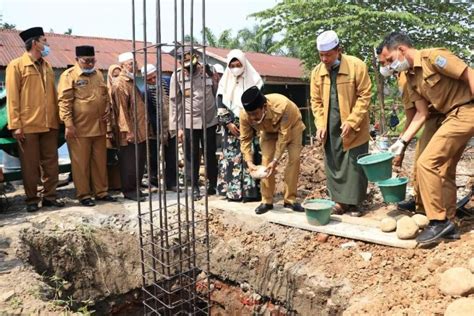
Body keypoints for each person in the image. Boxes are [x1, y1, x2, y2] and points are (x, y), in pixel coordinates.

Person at [378, 31, 474, 244]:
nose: (392, 66)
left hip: (466, 110)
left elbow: (469, 74)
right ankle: (449, 224)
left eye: (392, 60)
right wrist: (401, 142)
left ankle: (437, 221)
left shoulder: (433, 57)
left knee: (425, 163)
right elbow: (421, 113)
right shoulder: (411, 77)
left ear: (402, 50)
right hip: (451, 116)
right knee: (445, 168)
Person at [310, 30, 372, 217]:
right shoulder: (317, 73)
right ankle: (339, 202)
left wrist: (352, 121)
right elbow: (316, 101)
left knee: (354, 164)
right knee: (334, 163)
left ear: (339, 50)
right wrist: (321, 124)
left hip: (354, 125)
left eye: (328, 55)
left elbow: (365, 95)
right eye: (321, 55)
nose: (324, 59)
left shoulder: (356, 66)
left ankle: (355, 204)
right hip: (330, 126)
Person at [6, 26, 65, 212]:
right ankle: (32, 199)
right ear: (34, 43)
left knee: (51, 163)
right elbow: (12, 98)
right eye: (44, 40)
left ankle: (50, 197)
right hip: (28, 125)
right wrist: (16, 125)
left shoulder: (47, 66)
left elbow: (53, 95)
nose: (47, 44)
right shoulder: (16, 65)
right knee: (30, 166)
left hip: (49, 124)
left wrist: (59, 119)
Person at [57, 45, 117, 206]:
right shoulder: (69, 76)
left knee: (99, 162)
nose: (90, 64)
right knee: (80, 164)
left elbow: (104, 96)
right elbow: (64, 102)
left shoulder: (98, 74)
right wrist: (68, 124)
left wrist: (107, 109)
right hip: (79, 129)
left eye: (93, 60)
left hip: (99, 126)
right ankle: (84, 195)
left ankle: (101, 192)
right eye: (87, 61)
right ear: (77, 60)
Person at [240, 86, 306, 215]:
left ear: (264, 107)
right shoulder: (244, 115)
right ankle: (267, 201)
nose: (252, 118)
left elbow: (284, 135)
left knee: (294, 159)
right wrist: (249, 162)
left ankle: (290, 199)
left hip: (292, 128)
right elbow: (245, 138)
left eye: (255, 114)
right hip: (267, 131)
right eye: (250, 114)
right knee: (266, 161)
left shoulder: (283, 106)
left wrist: (276, 160)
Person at [169, 49, 218, 200]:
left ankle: (213, 184)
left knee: (210, 153)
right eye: (186, 66)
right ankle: (194, 186)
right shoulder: (177, 76)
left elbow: (217, 92)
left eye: (192, 65)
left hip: (210, 120)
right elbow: (174, 102)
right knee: (191, 155)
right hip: (190, 121)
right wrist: (178, 128)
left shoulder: (209, 71)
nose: (189, 69)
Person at [216, 49, 263, 202]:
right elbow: (220, 103)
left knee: (250, 155)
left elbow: (261, 103)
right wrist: (228, 122)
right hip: (231, 128)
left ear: (244, 63)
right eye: (232, 65)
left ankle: (251, 193)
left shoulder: (255, 80)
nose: (235, 68)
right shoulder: (224, 82)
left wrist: (252, 121)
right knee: (232, 158)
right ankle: (233, 193)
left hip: (251, 125)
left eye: (238, 64)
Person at [111, 52, 148, 201]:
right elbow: (121, 111)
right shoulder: (120, 83)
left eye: (135, 63)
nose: (135, 66)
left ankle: (136, 188)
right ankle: (130, 191)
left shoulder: (131, 82)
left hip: (140, 130)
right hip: (130, 132)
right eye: (130, 63)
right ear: (122, 66)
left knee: (139, 161)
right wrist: (127, 131)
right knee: (129, 163)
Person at [140, 64, 179, 192]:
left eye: (154, 77)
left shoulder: (168, 82)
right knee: (153, 157)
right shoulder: (144, 91)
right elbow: (148, 113)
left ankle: (172, 183)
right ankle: (153, 183)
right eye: (149, 79)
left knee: (171, 157)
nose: (152, 80)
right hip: (153, 129)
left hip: (170, 127)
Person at [106, 64, 122, 191]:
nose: (117, 79)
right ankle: (111, 184)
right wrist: (108, 130)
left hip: (122, 129)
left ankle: (120, 184)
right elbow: (106, 112)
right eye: (115, 76)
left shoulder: (123, 89)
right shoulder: (107, 92)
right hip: (111, 130)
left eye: (119, 76)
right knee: (111, 158)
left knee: (122, 157)